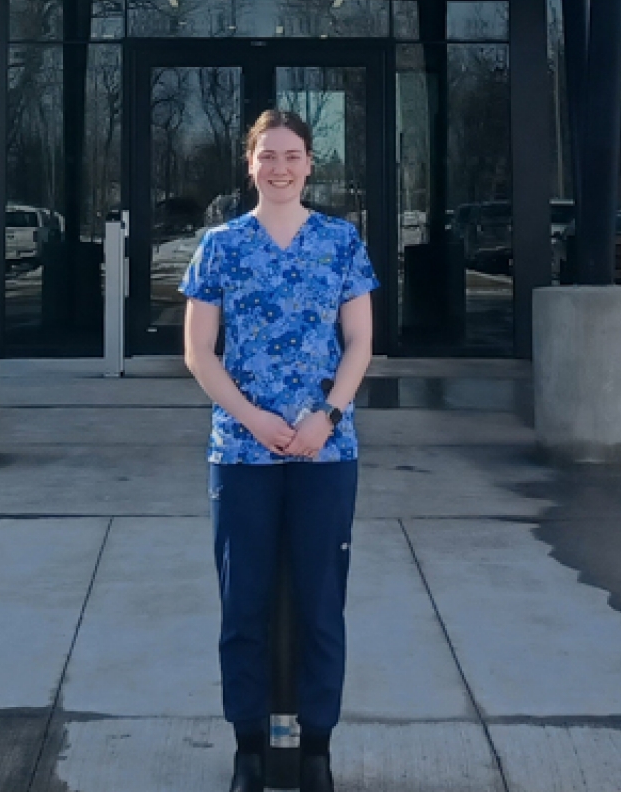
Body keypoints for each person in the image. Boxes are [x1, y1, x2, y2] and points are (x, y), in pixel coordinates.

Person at [180, 108, 378, 792]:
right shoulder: (221, 245)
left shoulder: (341, 241)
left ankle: (318, 748)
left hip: (327, 450)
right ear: (250, 162)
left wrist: (327, 413)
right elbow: (199, 353)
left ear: (310, 163)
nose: (281, 166)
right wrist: (254, 419)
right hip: (242, 453)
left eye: (292, 154)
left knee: (322, 601)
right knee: (244, 604)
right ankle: (249, 749)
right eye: (268, 154)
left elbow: (359, 341)